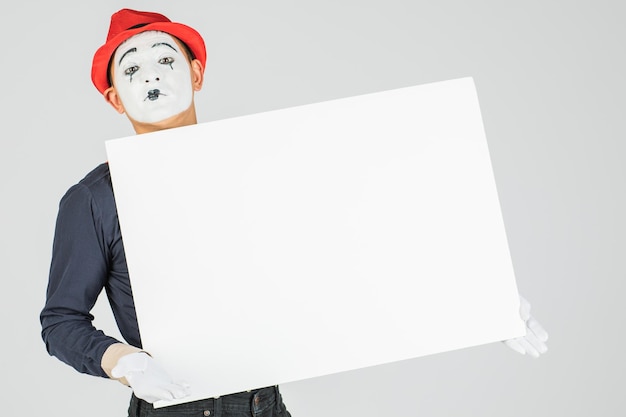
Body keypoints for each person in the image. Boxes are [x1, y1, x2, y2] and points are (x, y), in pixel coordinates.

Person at [41, 7, 548, 417]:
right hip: (174, 410)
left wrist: (481, 301)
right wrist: (121, 361)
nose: (150, 75)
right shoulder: (92, 200)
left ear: (196, 72)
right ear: (114, 98)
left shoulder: (264, 166)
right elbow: (61, 321)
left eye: (165, 60)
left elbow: (355, 249)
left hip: (267, 406)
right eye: (131, 69)